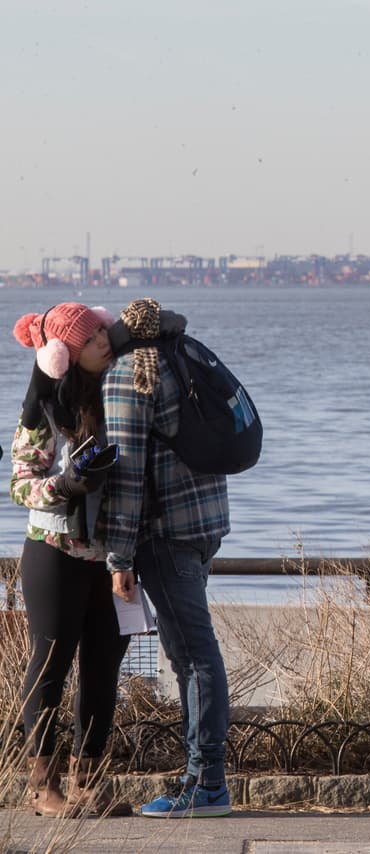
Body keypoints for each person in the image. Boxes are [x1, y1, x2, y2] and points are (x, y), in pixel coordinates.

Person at [101, 297, 233, 819]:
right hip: (206, 525)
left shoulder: (128, 375)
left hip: (164, 535)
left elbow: (127, 475)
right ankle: (205, 781)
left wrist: (118, 557)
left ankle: (206, 786)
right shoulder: (184, 359)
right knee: (194, 653)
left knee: (194, 656)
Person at [10, 302, 132, 818]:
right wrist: (65, 485)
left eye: (102, 331)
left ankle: (89, 778)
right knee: (50, 667)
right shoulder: (43, 408)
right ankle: (41, 785)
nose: (103, 341)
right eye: (89, 339)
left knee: (105, 668)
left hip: (112, 558)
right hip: (54, 552)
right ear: (64, 354)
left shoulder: (121, 395)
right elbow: (19, 486)